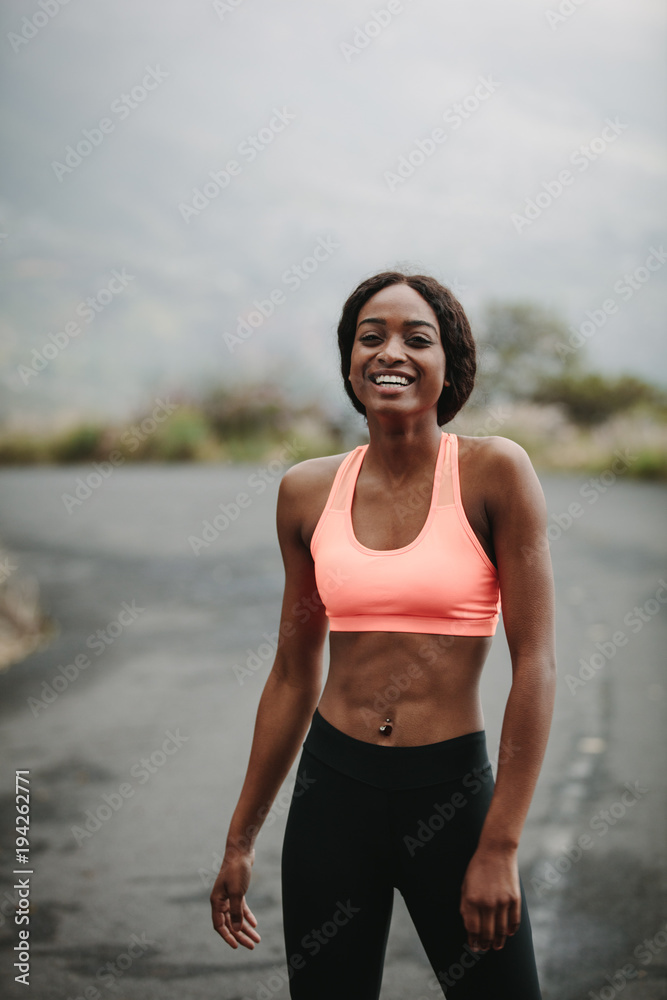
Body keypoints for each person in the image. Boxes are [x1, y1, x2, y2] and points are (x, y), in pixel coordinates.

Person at [210, 271, 556, 998]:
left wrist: (499, 842)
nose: (389, 352)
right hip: (332, 795)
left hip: (451, 797)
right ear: (348, 363)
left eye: (415, 338)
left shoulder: (495, 473)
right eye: (370, 337)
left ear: (448, 365)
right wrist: (240, 839)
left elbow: (535, 664)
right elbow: (291, 674)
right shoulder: (306, 492)